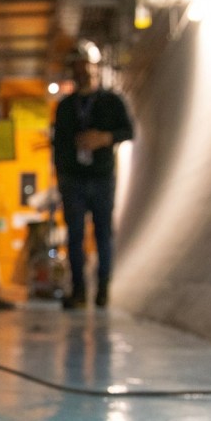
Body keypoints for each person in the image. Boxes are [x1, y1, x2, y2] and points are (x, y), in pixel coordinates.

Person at [52, 40, 134, 309]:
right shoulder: (65, 107)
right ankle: (78, 291)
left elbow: (128, 131)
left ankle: (103, 290)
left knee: (103, 235)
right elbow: (58, 145)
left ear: (96, 68)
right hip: (73, 180)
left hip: (101, 178)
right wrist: (62, 177)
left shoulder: (112, 101)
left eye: (88, 64)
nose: (84, 70)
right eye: (78, 65)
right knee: (74, 236)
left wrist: (104, 138)